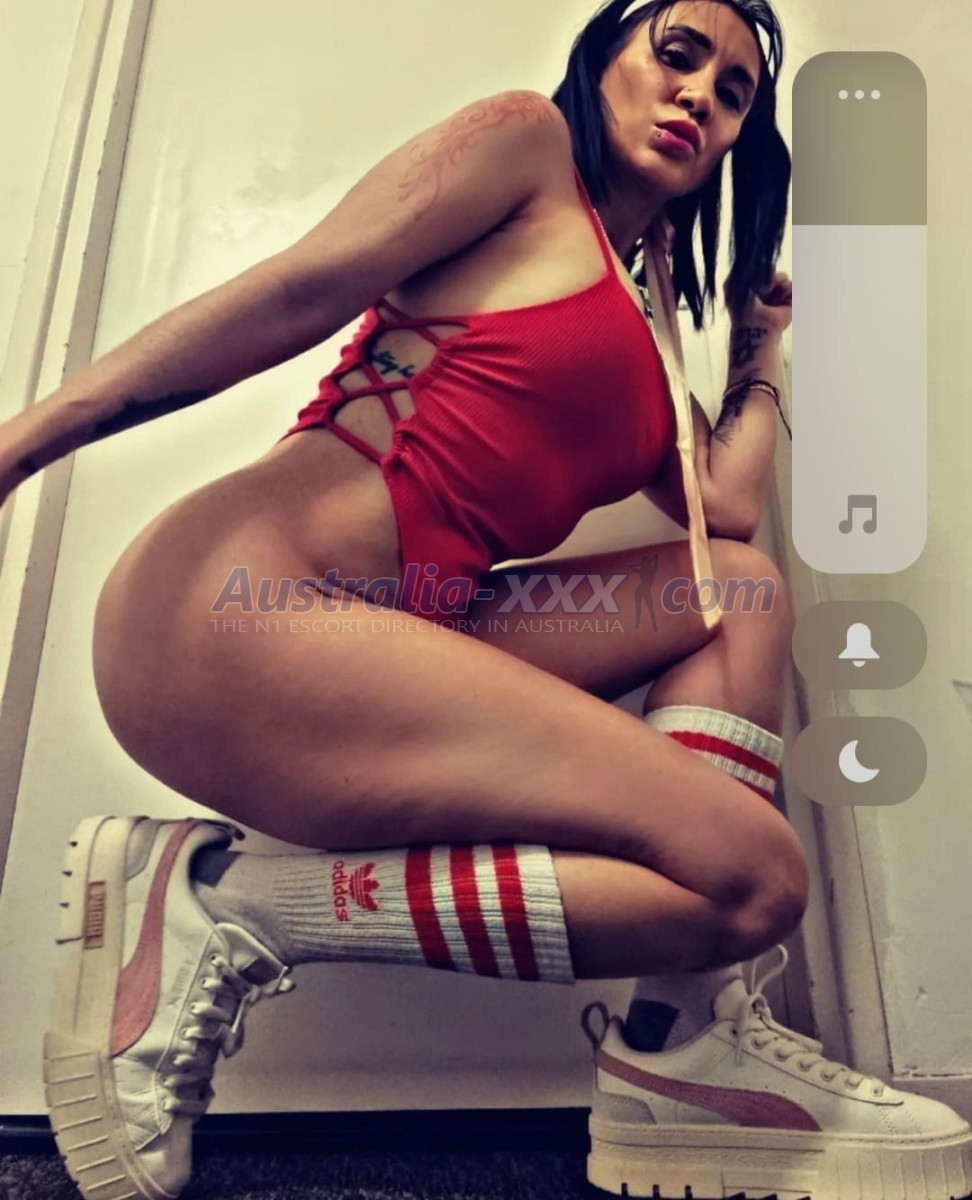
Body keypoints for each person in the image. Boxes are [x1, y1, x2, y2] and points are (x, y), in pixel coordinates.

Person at [3, 0, 969, 1197]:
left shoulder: (650, 332)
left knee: (744, 592)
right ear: (604, 59)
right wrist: (22, 442)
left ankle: (678, 1044)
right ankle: (233, 906)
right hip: (234, 608)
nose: (699, 97)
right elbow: (299, 287)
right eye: (677, 54)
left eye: (732, 94)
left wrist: (758, 353)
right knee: (759, 878)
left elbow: (722, 510)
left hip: (404, 630)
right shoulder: (524, 149)